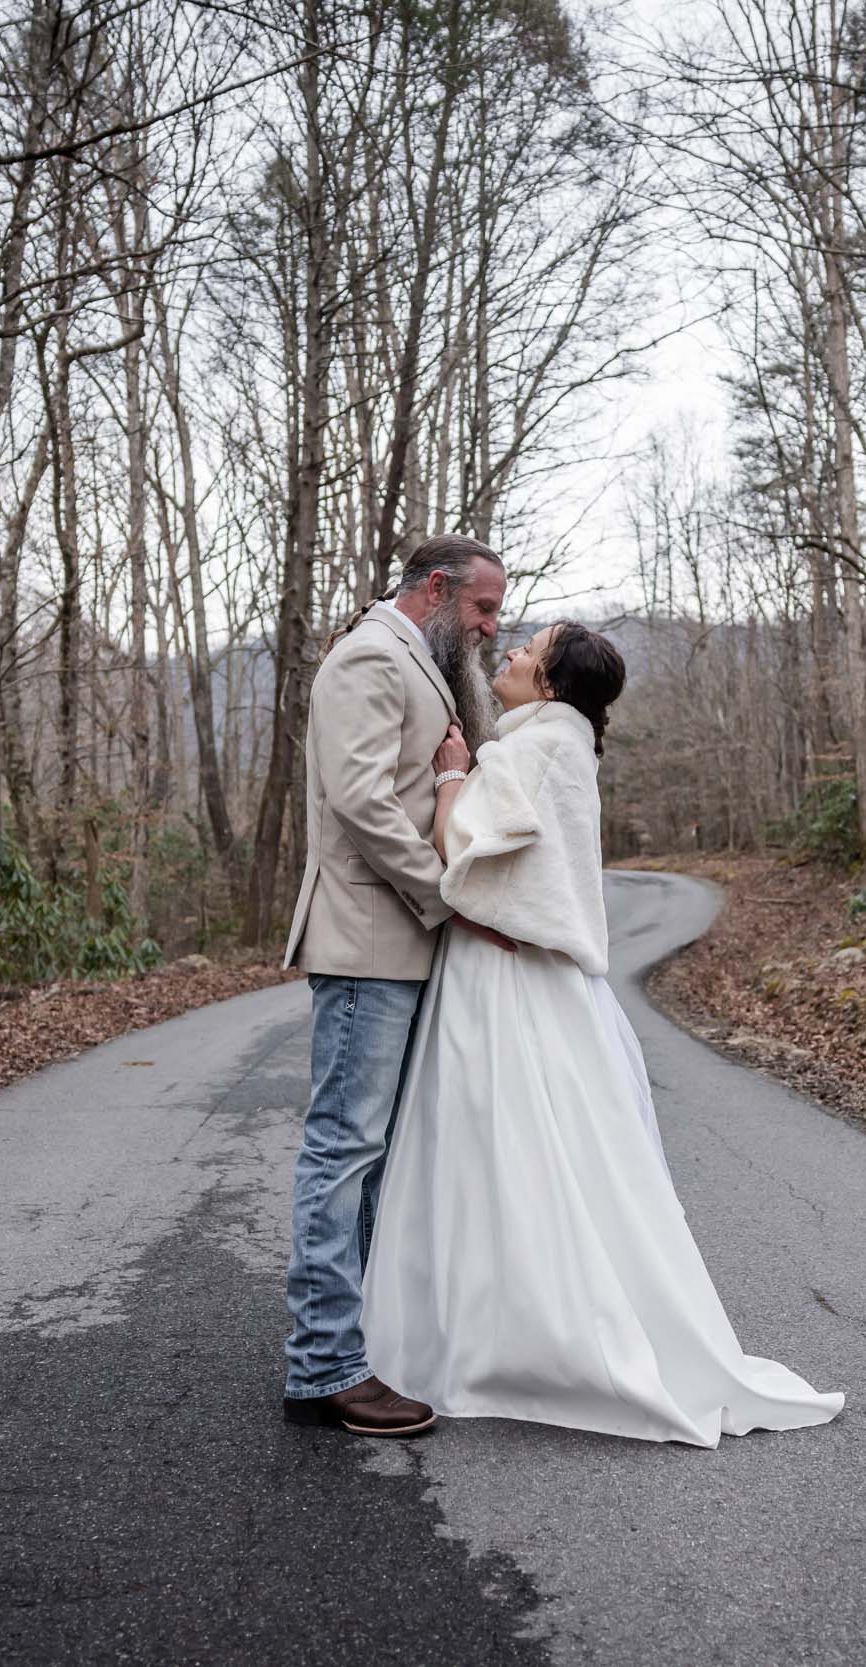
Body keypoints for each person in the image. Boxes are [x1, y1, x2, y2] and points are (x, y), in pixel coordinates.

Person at [360, 622, 845, 1446]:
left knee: (494, 1149)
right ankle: (534, 1323)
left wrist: (449, 777)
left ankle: (498, 1336)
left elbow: (460, 856)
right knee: (568, 1159)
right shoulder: (568, 745)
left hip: (502, 977)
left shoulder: (529, 749)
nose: (508, 655)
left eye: (527, 651)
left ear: (549, 683)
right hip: (557, 983)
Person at [278, 534, 514, 1438]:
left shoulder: (421, 661)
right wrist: (446, 896)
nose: (491, 627)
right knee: (343, 1152)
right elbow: (362, 801)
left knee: (377, 1156)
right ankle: (324, 1367)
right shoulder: (369, 658)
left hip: (403, 946)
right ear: (438, 589)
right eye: (483, 609)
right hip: (369, 941)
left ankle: (360, 1343)